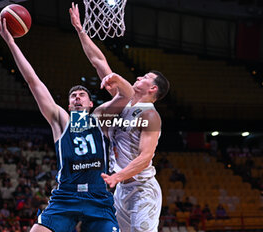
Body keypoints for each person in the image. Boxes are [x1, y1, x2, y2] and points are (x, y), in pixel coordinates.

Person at [0, 16, 134, 232]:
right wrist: (11, 43)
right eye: (73, 96)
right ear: (69, 105)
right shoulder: (61, 121)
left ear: (90, 102)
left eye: (82, 95)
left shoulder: (100, 118)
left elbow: (127, 95)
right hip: (66, 196)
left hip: (98, 197)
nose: (77, 97)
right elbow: (34, 82)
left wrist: (116, 79)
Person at [70, 3, 170, 231]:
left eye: (145, 77)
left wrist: (118, 176)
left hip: (142, 188)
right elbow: (99, 61)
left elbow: (146, 157)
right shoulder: (123, 100)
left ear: (153, 89)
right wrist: (80, 30)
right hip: (122, 189)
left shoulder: (151, 116)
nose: (139, 77)